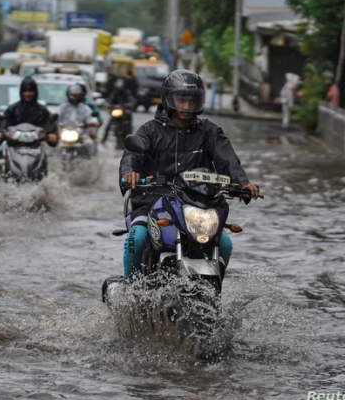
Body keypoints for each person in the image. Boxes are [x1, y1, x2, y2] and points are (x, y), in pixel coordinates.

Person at [120, 69, 261, 281]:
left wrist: (243, 184)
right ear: (169, 98)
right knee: (136, 238)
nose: (186, 106)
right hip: (153, 202)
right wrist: (129, 173)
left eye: (192, 101)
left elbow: (228, 160)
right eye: (181, 99)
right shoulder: (149, 130)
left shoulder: (209, 131)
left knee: (224, 244)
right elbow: (131, 155)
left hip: (196, 205)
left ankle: (214, 292)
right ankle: (128, 289)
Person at [0, 76, 58, 147]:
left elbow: (50, 126)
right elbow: (4, 122)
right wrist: (0, 132)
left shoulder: (42, 111)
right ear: (21, 92)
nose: (27, 94)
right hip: (15, 146)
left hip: (36, 147)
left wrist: (52, 135)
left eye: (30, 91)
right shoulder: (12, 109)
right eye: (25, 91)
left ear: (35, 92)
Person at [102, 79, 137, 145]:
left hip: (124, 111)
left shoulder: (127, 92)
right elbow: (110, 100)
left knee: (129, 116)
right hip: (116, 111)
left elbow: (131, 100)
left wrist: (130, 104)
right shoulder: (115, 93)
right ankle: (104, 139)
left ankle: (130, 131)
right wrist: (108, 104)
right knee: (109, 124)